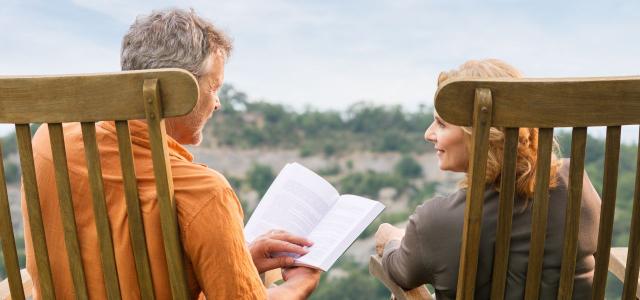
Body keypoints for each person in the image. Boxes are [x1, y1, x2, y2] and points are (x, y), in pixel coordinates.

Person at [22, 8, 320, 299]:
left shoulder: (48, 142)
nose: (216, 103)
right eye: (214, 87)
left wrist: (240, 264)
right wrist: (297, 286)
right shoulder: (203, 192)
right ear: (179, 92)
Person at [374, 59, 601, 299]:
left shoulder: (437, 221)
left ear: (482, 134)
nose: (428, 134)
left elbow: (399, 270)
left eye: (441, 124)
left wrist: (392, 240)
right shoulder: (576, 186)